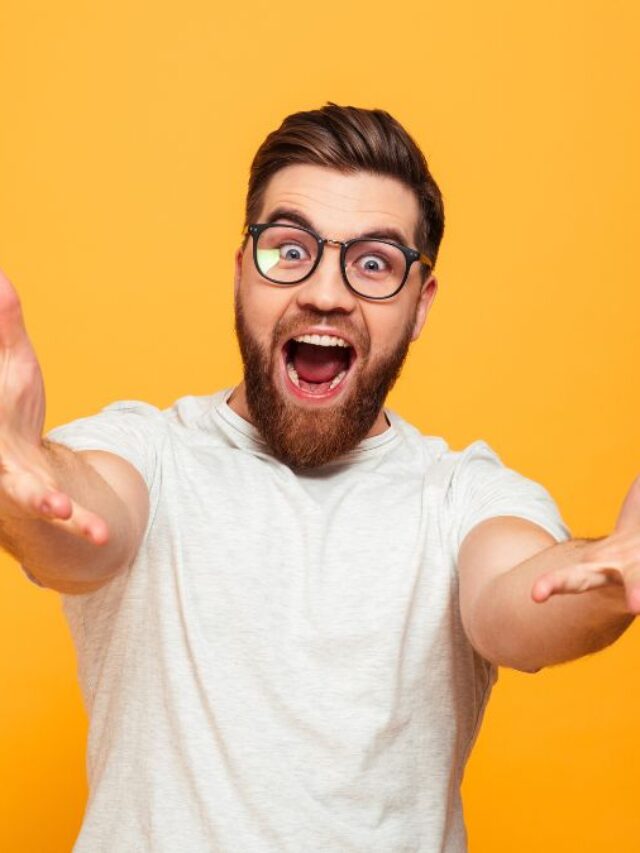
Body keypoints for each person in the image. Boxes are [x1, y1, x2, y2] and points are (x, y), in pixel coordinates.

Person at [1, 102, 638, 852]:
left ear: (420, 303)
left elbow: (517, 605)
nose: (327, 292)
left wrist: (611, 576)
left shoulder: (464, 494)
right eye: (291, 249)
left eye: (374, 263)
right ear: (243, 271)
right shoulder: (150, 452)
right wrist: (23, 474)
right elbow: (80, 529)